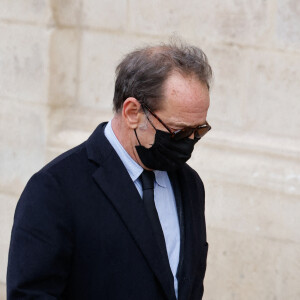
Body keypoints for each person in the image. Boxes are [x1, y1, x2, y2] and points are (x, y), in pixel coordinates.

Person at [7, 41, 212, 300]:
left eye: (198, 131)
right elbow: (31, 295)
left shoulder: (189, 184)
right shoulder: (55, 189)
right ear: (132, 112)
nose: (189, 141)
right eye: (178, 131)